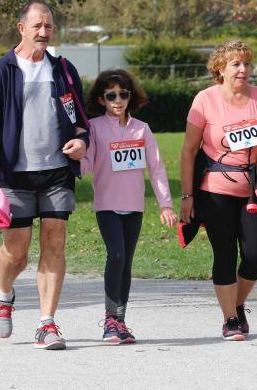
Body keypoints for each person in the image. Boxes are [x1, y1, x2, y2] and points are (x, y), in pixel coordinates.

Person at [0, 1, 89, 350]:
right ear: (21, 28)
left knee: (55, 243)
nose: (43, 32)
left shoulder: (64, 70)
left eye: (48, 26)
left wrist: (82, 142)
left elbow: (81, 120)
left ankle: (47, 323)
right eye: (37, 26)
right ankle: (4, 294)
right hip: (13, 176)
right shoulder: (1, 71)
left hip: (56, 173)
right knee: (16, 252)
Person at [179, 40, 257, 341]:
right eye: (236, 64)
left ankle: (237, 304)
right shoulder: (205, 100)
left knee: (254, 255)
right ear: (220, 69)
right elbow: (188, 151)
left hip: (254, 189)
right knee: (224, 254)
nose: (243, 70)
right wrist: (187, 197)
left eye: (247, 64)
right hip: (215, 190)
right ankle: (229, 319)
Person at [80, 69, 176, 345]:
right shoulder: (94, 127)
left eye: (123, 94)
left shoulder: (141, 128)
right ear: (101, 99)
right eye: (111, 95)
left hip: (134, 206)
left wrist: (165, 205)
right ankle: (110, 319)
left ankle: (120, 321)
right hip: (107, 205)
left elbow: (156, 168)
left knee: (127, 263)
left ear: (130, 96)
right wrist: (73, 157)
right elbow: (85, 164)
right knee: (117, 255)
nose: (118, 100)